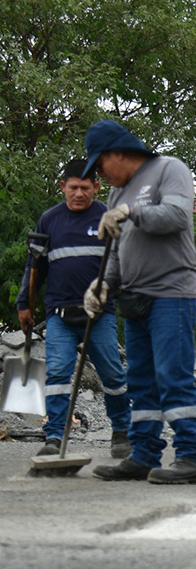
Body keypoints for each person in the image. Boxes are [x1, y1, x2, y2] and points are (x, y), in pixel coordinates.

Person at [82, 119, 196, 485]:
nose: (101, 176)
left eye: (100, 165)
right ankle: (143, 454)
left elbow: (176, 216)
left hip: (171, 293)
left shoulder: (169, 169)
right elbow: (119, 252)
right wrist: (102, 285)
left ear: (117, 154)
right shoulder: (116, 195)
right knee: (140, 382)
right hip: (134, 298)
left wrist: (132, 212)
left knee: (172, 375)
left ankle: (193, 456)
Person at [17, 159, 132, 459]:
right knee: (57, 375)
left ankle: (121, 431)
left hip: (100, 315)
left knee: (112, 376)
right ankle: (53, 436)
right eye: (73, 188)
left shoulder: (108, 219)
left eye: (85, 188)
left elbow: (122, 265)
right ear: (63, 187)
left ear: (96, 187)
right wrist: (24, 305)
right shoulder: (50, 220)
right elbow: (35, 267)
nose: (79, 194)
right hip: (60, 316)